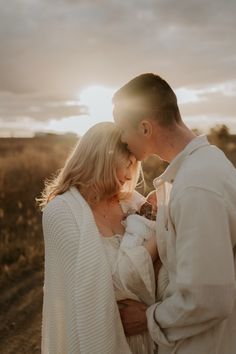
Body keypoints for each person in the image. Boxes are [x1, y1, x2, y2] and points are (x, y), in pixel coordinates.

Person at [113, 73, 236, 354]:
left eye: (122, 128)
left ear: (145, 128)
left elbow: (208, 298)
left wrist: (146, 318)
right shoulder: (200, 170)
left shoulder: (197, 187)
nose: (121, 138)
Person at [39, 121, 160, 354]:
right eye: (125, 165)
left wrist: (150, 316)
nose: (128, 175)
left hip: (146, 340)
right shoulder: (62, 212)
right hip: (97, 338)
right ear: (102, 160)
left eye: (133, 166)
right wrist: (159, 237)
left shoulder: (131, 201)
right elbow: (104, 284)